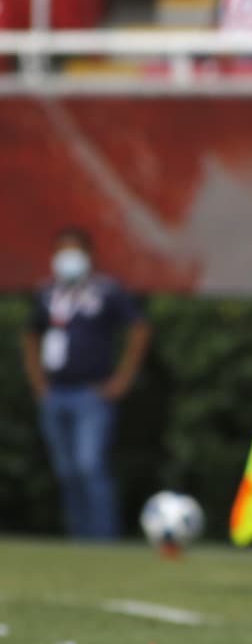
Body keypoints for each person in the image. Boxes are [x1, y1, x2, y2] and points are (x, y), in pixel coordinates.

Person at [22, 228, 151, 540]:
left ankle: (102, 539)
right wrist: (39, 383)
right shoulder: (48, 294)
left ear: (88, 255)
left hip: (91, 393)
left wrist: (122, 380)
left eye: (74, 251)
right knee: (67, 472)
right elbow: (30, 334)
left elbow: (139, 327)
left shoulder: (106, 291)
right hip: (55, 393)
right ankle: (78, 538)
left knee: (90, 466)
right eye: (61, 251)